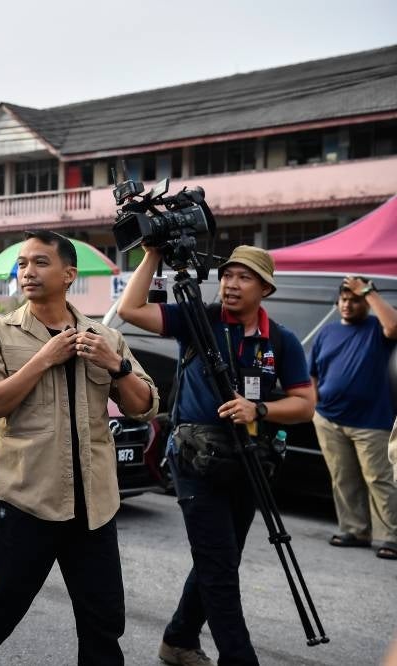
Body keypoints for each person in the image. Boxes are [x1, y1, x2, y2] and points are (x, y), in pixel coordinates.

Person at [118, 245, 315, 666]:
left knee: (221, 560)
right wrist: (152, 255)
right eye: (227, 275)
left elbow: (304, 404)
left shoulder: (280, 340)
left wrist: (258, 409)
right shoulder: (199, 319)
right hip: (194, 458)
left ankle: (178, 639)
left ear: (265, 288)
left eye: (244, 277)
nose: (231, 284)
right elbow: (131, 309)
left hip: (248, 459)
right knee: (219, 566)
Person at [0, 230, 159, 665]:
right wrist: (42, 359)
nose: (27, 272)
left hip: (94, 509)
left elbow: (145, 406)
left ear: (68, 274)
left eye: (39, 262)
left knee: (103, 623)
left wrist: (117, 366)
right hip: (28, 504)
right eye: (22, 264)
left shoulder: (102, 337)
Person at [309, 276, 397, 559]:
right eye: (344, 299)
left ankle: (393, 537)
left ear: (367, 304)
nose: (348, 304)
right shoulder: (327, 332)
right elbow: (311, 372)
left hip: (372, 421)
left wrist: (368, 291)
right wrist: (314, 403)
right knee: (343, 478)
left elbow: (394, 326)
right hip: (329, 419)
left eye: (354, 299)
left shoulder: (377, 329)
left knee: (380, 480)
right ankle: (355, 530)